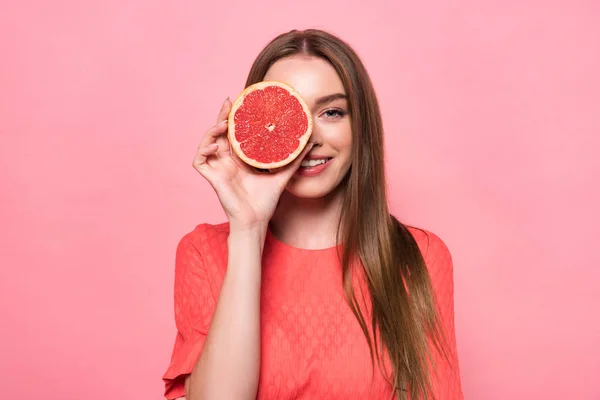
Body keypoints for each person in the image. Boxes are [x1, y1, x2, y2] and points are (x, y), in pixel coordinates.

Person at [162, 29, 463, 400]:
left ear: (361, 127)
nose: (308, 136)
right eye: (289, 114)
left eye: (332, 112)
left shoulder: (419, 255)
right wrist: (248, 229)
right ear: (252, 123)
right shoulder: (203, 252)